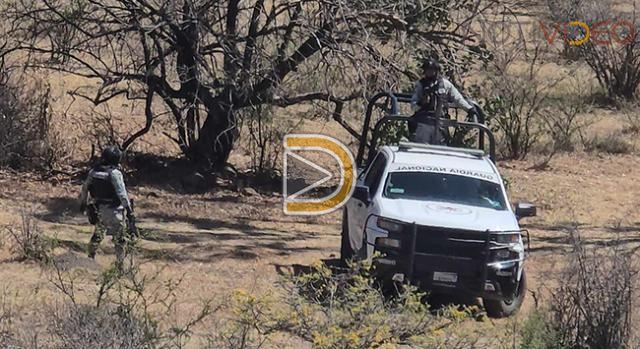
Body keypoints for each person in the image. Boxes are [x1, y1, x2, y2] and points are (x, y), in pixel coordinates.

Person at [79, 146, 135, 270]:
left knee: (97, 235)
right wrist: (129, 211)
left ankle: (90, 258)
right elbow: (122, 194)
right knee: (120, 239)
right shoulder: (115, 173)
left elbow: (84, 189)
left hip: (99, 210)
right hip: (114, 211)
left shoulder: (94, 172)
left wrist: (83, 204)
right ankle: (120, 265)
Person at [409, 58, 478, 144]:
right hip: (424, 123)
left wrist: (469, 108)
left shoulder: (445, 84)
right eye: (427, 70)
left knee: (440, 150)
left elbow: (457, 98)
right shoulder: (420, 85)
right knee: (421, 149)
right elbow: (413, 105)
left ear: (436, 70)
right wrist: (421, 104)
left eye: (431, 70)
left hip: (441, 123)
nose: (429, 72)